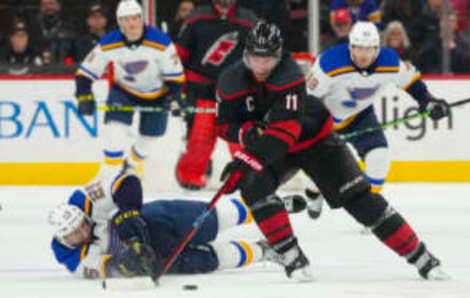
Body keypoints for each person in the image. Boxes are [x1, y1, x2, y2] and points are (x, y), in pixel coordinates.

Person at [215, 21, 449, 281]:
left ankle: (421, 257)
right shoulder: (230, 79)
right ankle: (291, 256)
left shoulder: (289, 75)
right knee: (252, 183)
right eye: (256, 58)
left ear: (279, 56)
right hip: (277, 144)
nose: (262, 66)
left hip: (316, 141)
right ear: (246, 54)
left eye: (268, 58)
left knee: (361, 201)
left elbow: (285, 133)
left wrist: (248, 157)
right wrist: (245, 135)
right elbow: (224, 124)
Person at [48, 167, 307, 278]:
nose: (81, 232)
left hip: (155, 219)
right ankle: (264, 251)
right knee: (212, 260)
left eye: (81, 224)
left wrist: (128, 212)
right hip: (156, 256)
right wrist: (131, 264)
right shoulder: (73, 261)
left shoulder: (83, 199)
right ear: (64, 240)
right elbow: (110, 270)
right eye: (73, 234)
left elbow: (127, 181)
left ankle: (268, 208)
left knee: (215, 218)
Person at [306, 21, 451, 205]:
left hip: (359, 116)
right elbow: (307, 100)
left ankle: (371, 207)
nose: (364, 55)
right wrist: (316, 128)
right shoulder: (329, 63)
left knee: (379, 156)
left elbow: (412, 82)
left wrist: (428, 102)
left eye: (369, 49)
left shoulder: (390, 61)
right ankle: (313, 194)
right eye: (359, 48)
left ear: (377, 48)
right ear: (351, 46)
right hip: (325, 118)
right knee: (318, 172)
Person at [74, 0, 185, 189]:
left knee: (151, 136)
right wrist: (84, 95)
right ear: (119, 22)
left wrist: (176, 98)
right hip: (123, 92)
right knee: (114, 135)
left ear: (142, 19)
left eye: (135, 18)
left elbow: (175, 76)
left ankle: (132, 164)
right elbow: (85, 73)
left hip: (157, 93)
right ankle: (106, 180)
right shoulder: (109, 42)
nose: (132, 24)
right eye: (126, 20)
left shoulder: (161, 42)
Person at [175, 0, 257, 190]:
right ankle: (190, 176)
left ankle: (247, 175)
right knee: (200, 137)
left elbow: (259, 57)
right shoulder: (197, 17)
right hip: (201, 89)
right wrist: (177, 87)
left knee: (240, 137)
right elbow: (180, 54)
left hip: (236, 92)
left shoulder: (249, 20)